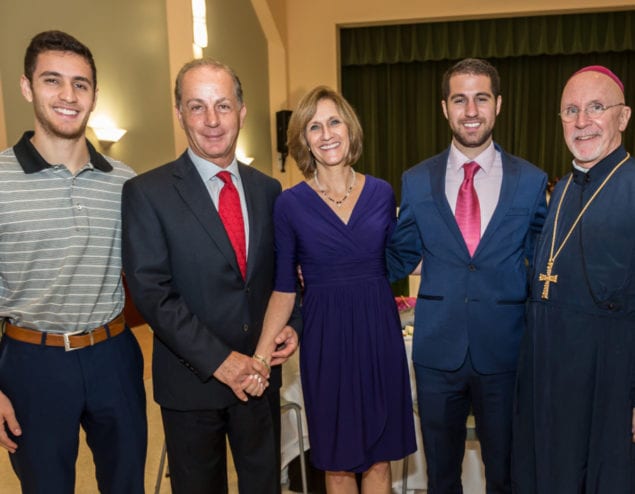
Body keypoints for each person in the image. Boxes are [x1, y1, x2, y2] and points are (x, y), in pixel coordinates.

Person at [121, 58, 300, 494]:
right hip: (192, 383)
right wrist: (222, 362)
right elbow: (152, 293)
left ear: (241, 110)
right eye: (197, 106)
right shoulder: (147, 193)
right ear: (179, 114)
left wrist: (291, 327)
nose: (212, 120)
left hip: (259, 378)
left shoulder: (268, 190)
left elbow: (283, 277)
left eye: (223, 105)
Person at [386, 58, 547, 493]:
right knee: (441, 476)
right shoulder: (416, 181)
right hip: (438, 352)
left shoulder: (531, 181)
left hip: (506, 352)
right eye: (460, 99)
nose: (471, 110)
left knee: (507, 474)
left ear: (498, 105)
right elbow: (396, 259)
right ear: (444, 107)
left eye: (481, 98)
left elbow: (546, 265)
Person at [250, 85, 416, 494]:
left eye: (334, 122)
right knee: (337, 460)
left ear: (350, 127)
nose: (326, 134)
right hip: (327, 341)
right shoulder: (289, 205)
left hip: (379, 333)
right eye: (314, 127)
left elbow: (399, 258)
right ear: (304, 140)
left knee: (380, 455)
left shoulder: (381, 192)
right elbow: (285, 288)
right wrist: (259, 355)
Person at [0, 31, 146, 493]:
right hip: (32, 363)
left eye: (80, 84)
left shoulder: (126, 182)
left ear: (94, 95)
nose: (68, 95)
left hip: (114, 355)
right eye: (52, 81)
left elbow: (167, 265)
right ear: (27, 87)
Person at [512, 65, 635, 493]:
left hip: (610, 382)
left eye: (596, 108)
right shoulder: (562, 188)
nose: (582, 121)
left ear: (623, 117)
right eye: (570, 110)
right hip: (549, 375)